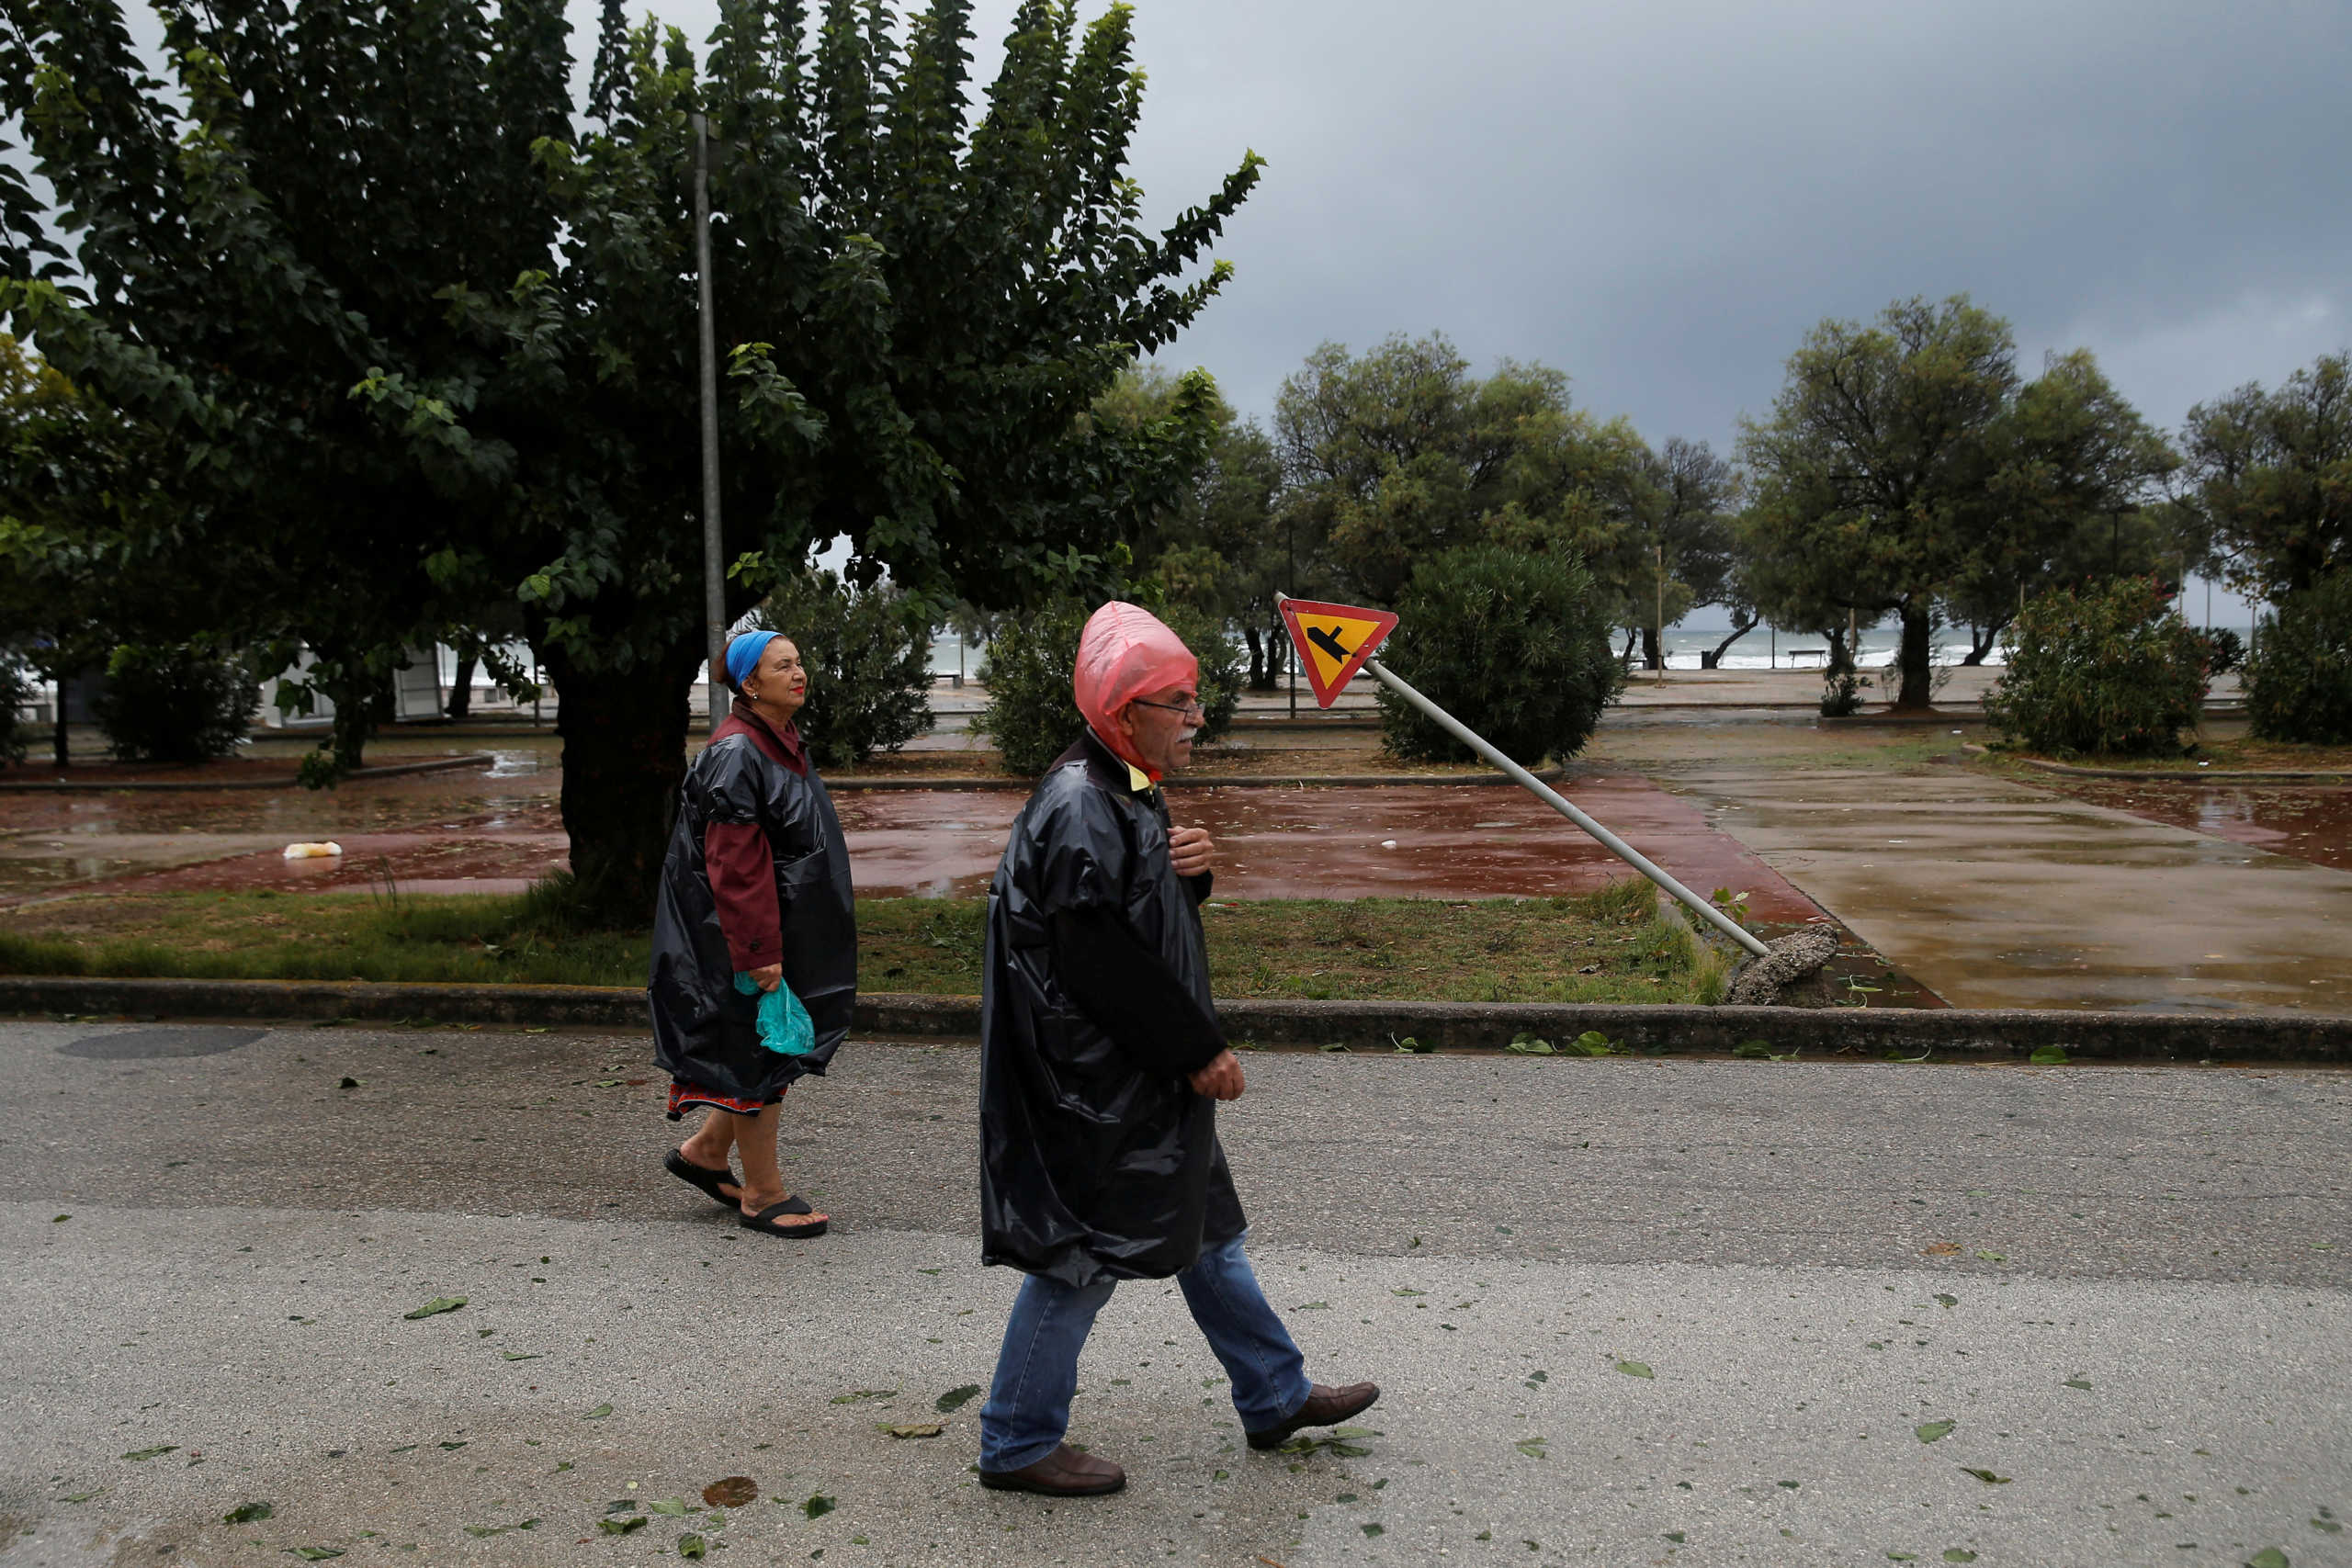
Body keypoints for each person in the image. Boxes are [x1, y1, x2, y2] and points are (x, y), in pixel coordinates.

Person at [974, 601, 1378, 1497]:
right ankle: (1014, 1439)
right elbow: (1098, 960)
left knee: (1207, 1229)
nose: (1199, 718)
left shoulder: (1122, 784)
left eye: (1195, 700)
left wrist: (1187, 878)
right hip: (1098, 1086)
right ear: (1125, 711)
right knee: (1082, 1255)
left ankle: (1272, 1392)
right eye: (1180, 702)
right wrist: (1196, 1049)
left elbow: (1132, 918)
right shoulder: (1085, 802)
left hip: (1130, 1081)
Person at [647, 628, 855, 1238]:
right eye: (781, 665)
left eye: (799, 661)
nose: (799, 672)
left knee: (761, 1049)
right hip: (740, 936)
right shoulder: (739, 753)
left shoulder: (777, 741)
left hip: (775, 930)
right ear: (750, 683)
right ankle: (762, 1191)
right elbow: (734, 863)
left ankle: (708, 1152)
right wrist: (759, 951)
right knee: (762, 1054)